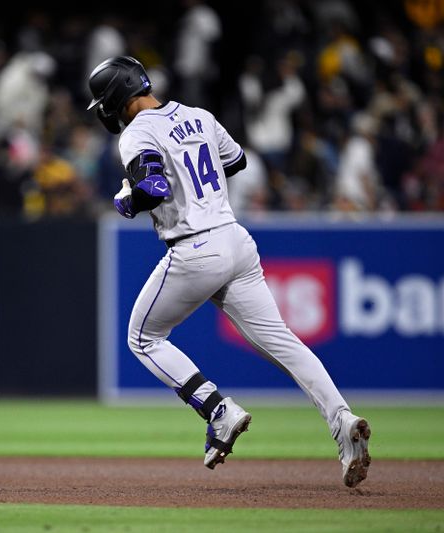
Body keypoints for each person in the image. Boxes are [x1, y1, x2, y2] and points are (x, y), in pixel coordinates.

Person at [87, 57, 371, 487]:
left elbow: (152, 187)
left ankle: (217, 409)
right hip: (236, 242)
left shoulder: (137, 133)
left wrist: (126, 200)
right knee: (284, 343)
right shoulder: (198, 116)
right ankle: (342, 420)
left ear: (115, 98)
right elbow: (234, 161)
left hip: (195, 247)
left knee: (142, 338)